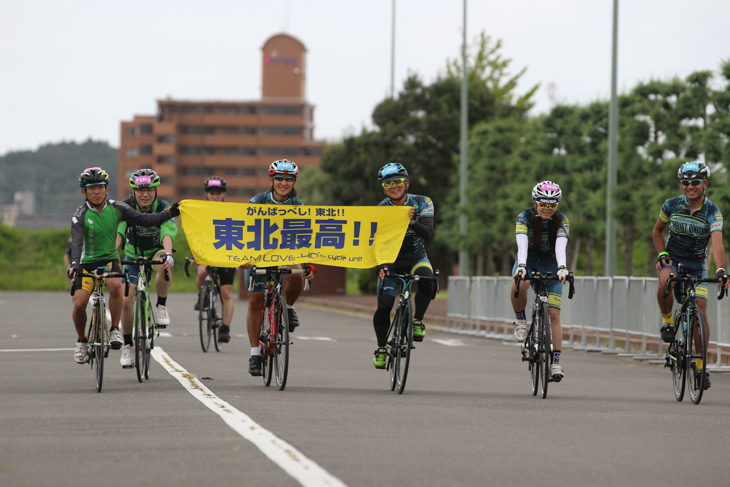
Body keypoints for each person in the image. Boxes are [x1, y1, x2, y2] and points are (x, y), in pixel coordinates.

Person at [68, 167, 180, 365]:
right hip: (93, 262)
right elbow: (80, 243)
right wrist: (74, 264)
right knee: (80, 305)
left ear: (107, 189)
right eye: (91, 188)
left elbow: (152, 224)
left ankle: (119, 328)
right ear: (84, 192)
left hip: (125, 258)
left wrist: (170, 215)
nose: (96, 192)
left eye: (100, 187)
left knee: (117, 287)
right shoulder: (81, 214)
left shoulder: (121, 208)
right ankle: (86, 341)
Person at [653, 161, 728, 390]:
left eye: (695, 182)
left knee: (701, 311)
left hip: (696, 265)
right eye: (685, 182)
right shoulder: (671, 205)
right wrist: (662, 255)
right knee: (665, 280)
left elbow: (717, 244)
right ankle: (667, 321)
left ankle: (699, 365)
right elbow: (657, 231)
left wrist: (720, 270)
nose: (689, 186)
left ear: (705, 184)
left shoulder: (713, 212)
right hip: (672, 259)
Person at [240, 160, 315, 376]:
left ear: (294, 181)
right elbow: (245, 231)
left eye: (288, 179)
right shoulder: (258, 201)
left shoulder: (297, 205)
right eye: (279, 178)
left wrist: (308, 260)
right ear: (271, 179)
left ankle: (289, 308)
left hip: (285, 252)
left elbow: (304, 237)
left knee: (298, 271)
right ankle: (255, 353)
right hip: (259, 254)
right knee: (255, 302)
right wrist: (246, 256)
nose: (283, 183)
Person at [372, 163, 435, 370]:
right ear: (384, 188)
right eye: (388, 183)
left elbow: (427, 233)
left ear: (406, 183)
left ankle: (417, 321)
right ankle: (381, 348)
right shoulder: (382, 208)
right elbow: (375, 241)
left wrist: (411, 222)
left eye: (397, 181)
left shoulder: (422, 201)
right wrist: (380, 265)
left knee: (427, 278)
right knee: (384, 306)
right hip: (391, 259)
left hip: (416, 256)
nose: (393, 186)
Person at [115, 169, 177, 368]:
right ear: (133, 192)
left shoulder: (164, 207)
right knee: (126, 300)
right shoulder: (125, 207)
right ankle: (128, 345)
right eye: (140, 190)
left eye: (149, 189)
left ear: (156, 190)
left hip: (156, 249)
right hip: (133, 252)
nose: (145, 194)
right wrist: (110, 255)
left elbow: (168, 232)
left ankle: (161, 305)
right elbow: (119, 233)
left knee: (163, 265)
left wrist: (168, 253)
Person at [510, 181, 570, 381]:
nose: (547, 209)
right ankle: (520, 319)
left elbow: (561, 246)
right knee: (520, 281)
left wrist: (562, 267)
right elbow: (522, 244)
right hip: (529, 260)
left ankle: (555, 362)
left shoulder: (562, 220)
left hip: (551, 263)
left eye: (552, 205)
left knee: (554, 313)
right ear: (535, 202)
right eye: (543, 204)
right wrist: (521, 266)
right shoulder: (524, 217)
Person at [189, 177, 238, 344]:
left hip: (226, 254)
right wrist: (194, 255)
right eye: (212, 193)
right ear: (206, 194)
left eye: (218, 193)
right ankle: (201, 296)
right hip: (206, 253)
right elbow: (194, 233)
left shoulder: (230, 211)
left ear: (223, 194)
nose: (215, 196)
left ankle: (225, 328)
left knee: (226, 292)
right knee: (202, 271)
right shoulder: (200, 210)